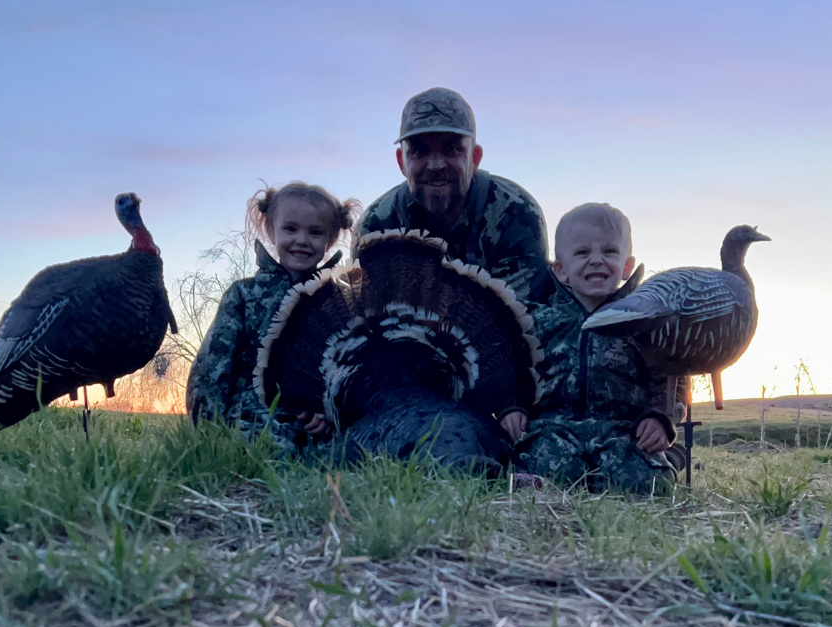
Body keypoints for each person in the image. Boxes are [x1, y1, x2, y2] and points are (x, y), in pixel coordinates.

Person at [359, 87, 551, 442]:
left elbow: (524, 324)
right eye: (419, 151)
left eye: (451, 149)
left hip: (503, 378)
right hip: (412, 376)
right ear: (401, 162)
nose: (435, 164)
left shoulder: (515, 213)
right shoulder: (378, 223)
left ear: (474, 157)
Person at [514, 203, 682, 494]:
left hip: (623, 432)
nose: (596, 260)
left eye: (609, 252)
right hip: (553, 429)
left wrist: (660, 419)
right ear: (561, 270)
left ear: (626, 267)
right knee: (547, 470)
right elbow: (514, 368)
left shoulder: (645, 322)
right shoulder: (537, 321)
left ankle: (668, 460)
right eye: (582, 252)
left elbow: (672, 376)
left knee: (648, 485)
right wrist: (511, 408)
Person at [187, 182, 359, 445]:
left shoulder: (340, 302)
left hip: (314, 435)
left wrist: (330, 422)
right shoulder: (244, 294)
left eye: (315, 232)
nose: (301, 240)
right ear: (271, 229)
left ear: (330, 239)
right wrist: (207, 434)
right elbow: (212, 371)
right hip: (249, 423)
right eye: (290, 229)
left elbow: (346, 377)